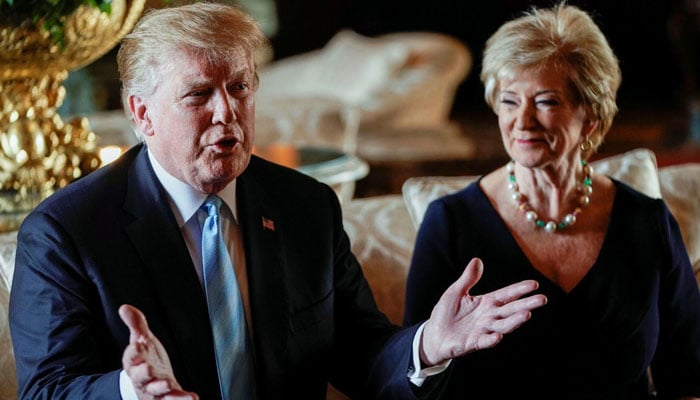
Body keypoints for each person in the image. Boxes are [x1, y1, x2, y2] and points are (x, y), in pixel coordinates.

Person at [8, 3, 547, 399]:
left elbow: (359, 353)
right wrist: (129, 390)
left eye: (240, 88)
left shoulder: (305, 205)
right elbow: (46, 390)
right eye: (199, 95)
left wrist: (428, 345)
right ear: (142, 114)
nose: (227, 113)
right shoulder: (65, 232)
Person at [403, 3, 700, 399]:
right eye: (509, 101)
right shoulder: (451, 223)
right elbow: (413, 381)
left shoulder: (646, 222)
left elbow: (687, 374)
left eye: (545, 101)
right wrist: (432, 351)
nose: (522, 121)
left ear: (590, 117)